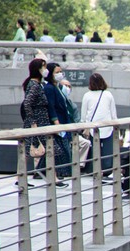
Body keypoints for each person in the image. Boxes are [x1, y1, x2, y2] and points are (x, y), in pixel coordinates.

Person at [23, 58, 68, 187]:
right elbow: (27, 104)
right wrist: (33, 123)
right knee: (46, 150)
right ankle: (51, 178)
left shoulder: (36, 85)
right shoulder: (35, 86)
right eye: (43, 67)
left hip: (41, 123)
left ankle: (49, 177)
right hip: (38, 123)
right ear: (38, 69)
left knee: (35, 150)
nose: (46, 70)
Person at [82, 73, 118, 182]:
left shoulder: (87, 95)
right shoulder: (108, 94)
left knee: (95, 150)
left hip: (93, 127)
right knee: (108, 150)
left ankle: (96, 170)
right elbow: (113, 113)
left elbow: (84, 115)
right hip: (107, 126)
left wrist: (85, 125)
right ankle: (107, 170)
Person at [42, 62, 74, 178]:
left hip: (62, 122)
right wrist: (56, 121)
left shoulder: (57, 87)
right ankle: (57, 173)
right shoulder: (50, 88)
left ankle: (45, 172)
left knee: (60, 149)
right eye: (57, 72)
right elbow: (51, 105)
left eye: (61, 72)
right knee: (61, 150)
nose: (60, 74)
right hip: (58, 123)